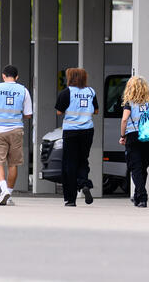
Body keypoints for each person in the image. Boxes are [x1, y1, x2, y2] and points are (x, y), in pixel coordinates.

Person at [0, 64, 32, 206]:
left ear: (3, 76)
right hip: (16, 130)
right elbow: (28, 114)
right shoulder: (23, 90)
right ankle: (8, 195)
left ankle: (4, 190)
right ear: (17, 77)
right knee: (13, 164)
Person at [118, 76, 149, 208]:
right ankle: (138, 195)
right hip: (148, 137)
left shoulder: (129, 102)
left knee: (135, 168)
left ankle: (142, 196)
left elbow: (124, 120)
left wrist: (122, 136)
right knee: (142, 168)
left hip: (133, 137)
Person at [55, 67, 96, 207]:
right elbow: (96, 110)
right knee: (83, 160)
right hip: (87, 131)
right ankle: (84, 183)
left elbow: (59, 112)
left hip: (71, 131)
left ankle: (70, 199)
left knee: (69, 164)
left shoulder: (67, 92)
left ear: (70, 78)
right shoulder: (91, 91)